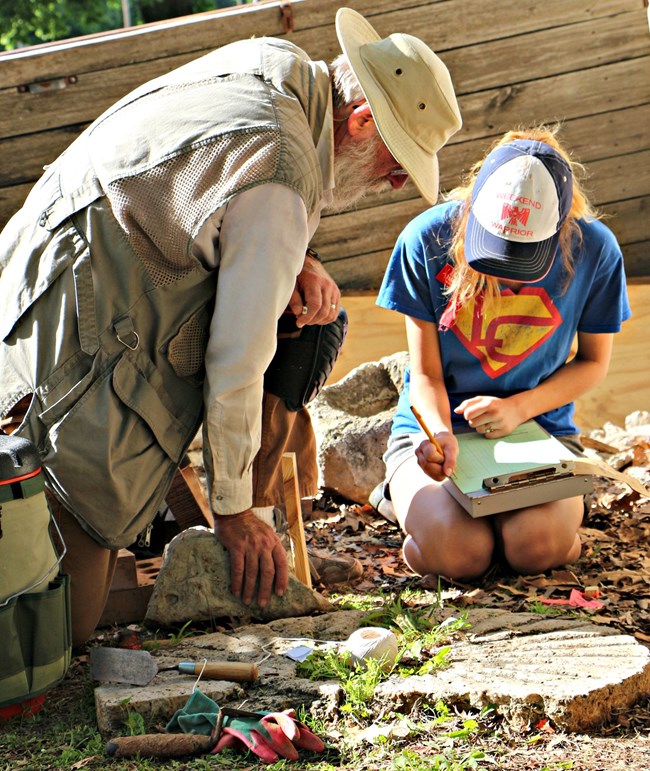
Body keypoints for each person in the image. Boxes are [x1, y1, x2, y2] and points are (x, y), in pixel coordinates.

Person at [0, 7, 462, 645]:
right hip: (73, 331)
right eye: (396, 163)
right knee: (60, 632)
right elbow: (237, 359)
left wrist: (301, 257)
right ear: (360, 121)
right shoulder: (284, 169)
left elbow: (216, 193)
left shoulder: (280, 69)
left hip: (49, 265)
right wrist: (235, 511)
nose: (391, 183)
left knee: (314, 324)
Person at [375, 126, 631, 581]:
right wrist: (437, 436)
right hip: (438, 430)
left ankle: (520, 531)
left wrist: (518, 409)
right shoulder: (426, 237)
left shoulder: (596, 249)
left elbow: (593, 363)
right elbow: (425, 374)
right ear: (473, 206)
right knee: (461, 555)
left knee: (535, 548)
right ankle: (414, 512)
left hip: (540, 431)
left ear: (561, 224)